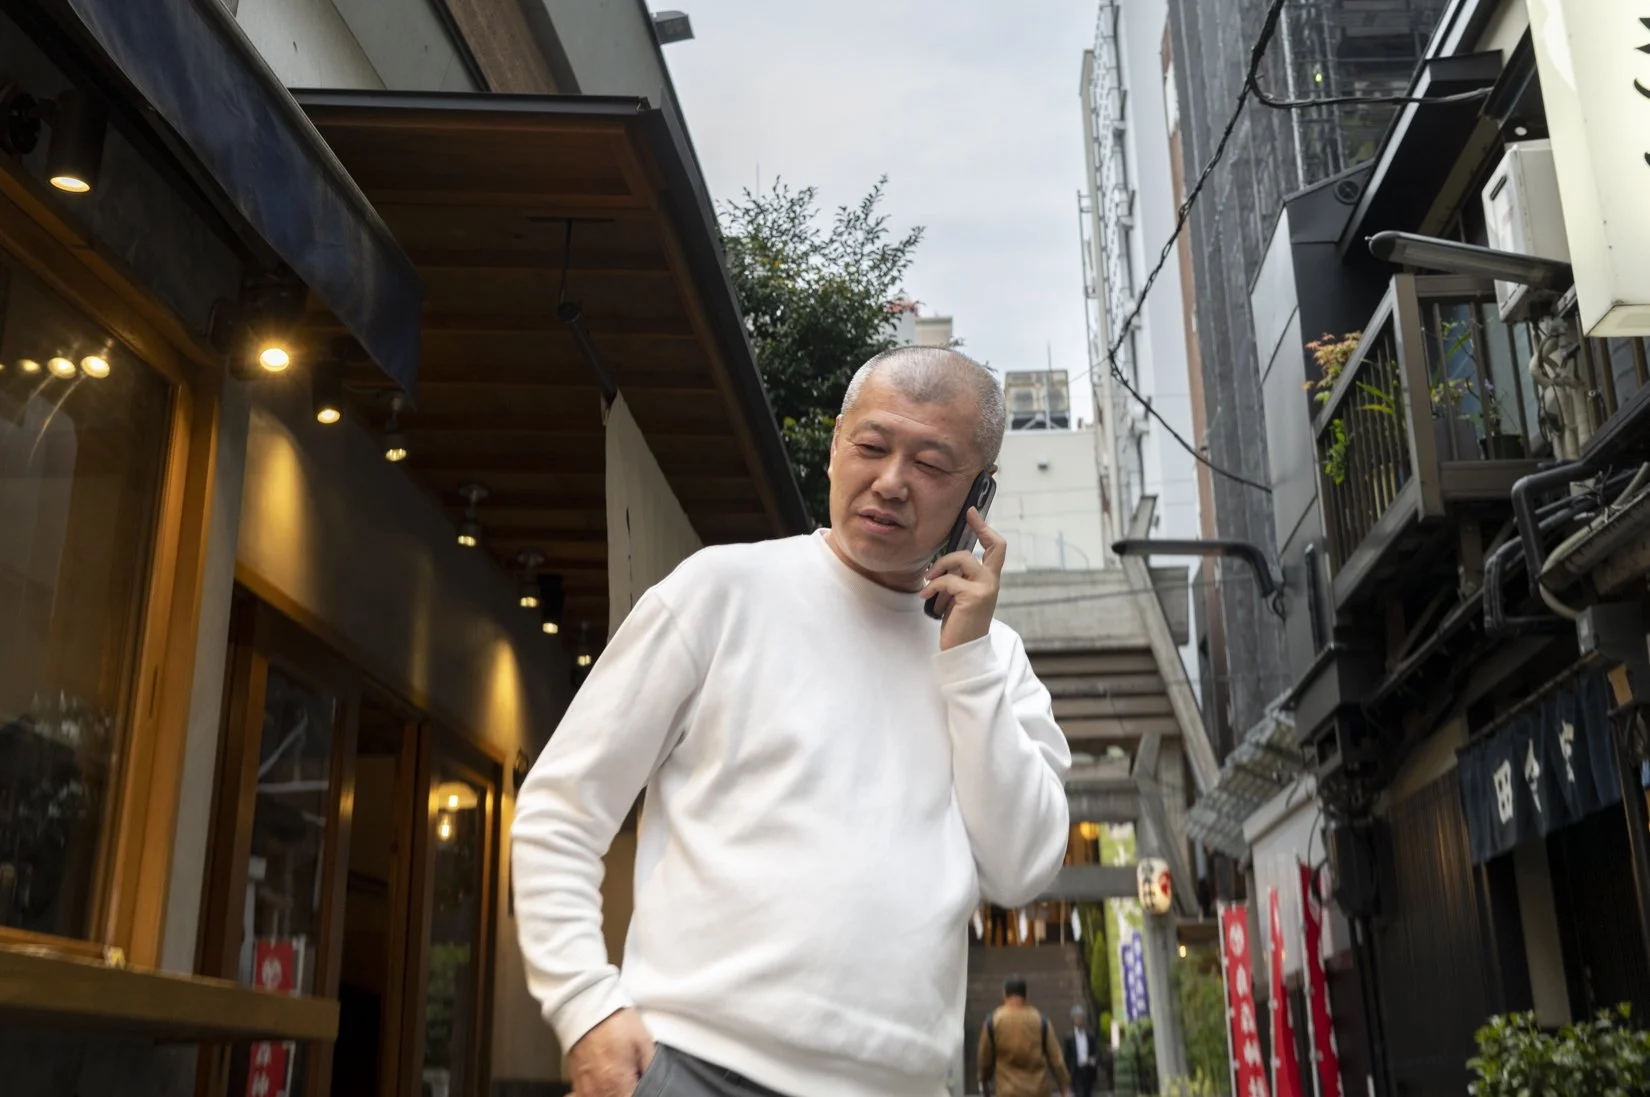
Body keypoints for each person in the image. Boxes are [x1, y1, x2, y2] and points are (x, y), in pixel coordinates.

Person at [511, 346, 1072, 1097]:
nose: (891, 481)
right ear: (837, 443)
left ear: (981, 493)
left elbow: (1022, 866)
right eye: (871, 446)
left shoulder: (992, 660)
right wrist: (584, 1004)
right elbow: (561, 809)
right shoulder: (722, 590)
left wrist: (965, 665)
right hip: (687, 1063)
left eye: (933, 465)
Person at [978, 976, 1071, 1097]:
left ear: (1004, 994)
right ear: (1026, 995)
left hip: (1007, 1091)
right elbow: (1057, 1060)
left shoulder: (994, 1021)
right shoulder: (1040, 1020)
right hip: (1038, 1091)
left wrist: (984, 1084)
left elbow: (984, 1061)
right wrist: (1064, 1089)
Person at [1063, 1005, 1100, 1097]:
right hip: (1076, 1071)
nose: (1080, 1021)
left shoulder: (1090, 1036)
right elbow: (1066, 1056)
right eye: (1078, 1019)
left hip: (1088, 1070)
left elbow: (1095, 1051)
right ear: (1074, 1021)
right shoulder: (1069, 1037)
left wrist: (1094, 1060)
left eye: (1082, 1019)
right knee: (1079, 1093)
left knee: (1088, 1093)